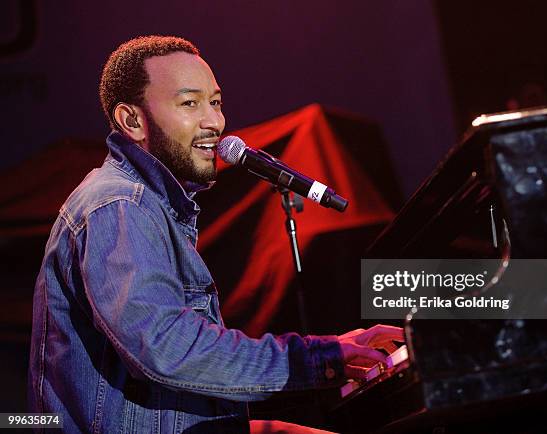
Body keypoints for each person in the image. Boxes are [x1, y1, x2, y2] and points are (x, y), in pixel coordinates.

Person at [27, 35, 403, 433]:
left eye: (216, 102)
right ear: (132, 121)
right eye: (190, 103)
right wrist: (317, 359)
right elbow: (166, 348)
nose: (215, 122)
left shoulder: (150, 206)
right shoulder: (120, 204)